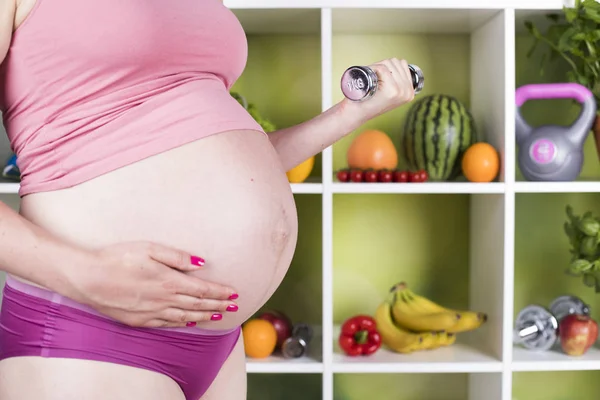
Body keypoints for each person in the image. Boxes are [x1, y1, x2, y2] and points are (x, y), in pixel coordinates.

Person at [0, 0, 416, 399]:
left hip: (218, 347)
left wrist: (349, 114)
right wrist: (87, 276)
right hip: (91, 326)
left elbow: (222, 150)